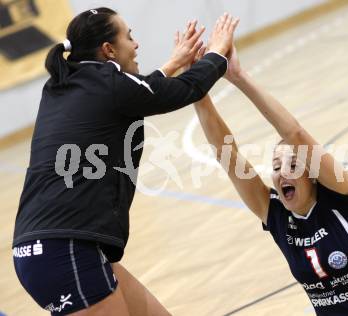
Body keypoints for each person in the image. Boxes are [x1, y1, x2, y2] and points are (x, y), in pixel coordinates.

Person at [12, 7, 239, 316]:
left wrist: (173, 64)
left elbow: (136, 94)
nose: (136, 45)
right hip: (65, 251)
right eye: (129, 37)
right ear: (108, 50)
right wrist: (219, 53)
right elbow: (186, 89)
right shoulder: (109, 84)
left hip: (53, 249)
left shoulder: (64, 85)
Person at [193, 46, 348, 316]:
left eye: (293, 164)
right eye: (276, 166)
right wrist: (196, 85)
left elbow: (295, 133)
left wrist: (240, 77)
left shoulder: (340, 194)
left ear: (312, 174)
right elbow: (226, 154)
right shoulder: (276, 214)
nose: (283, 172)